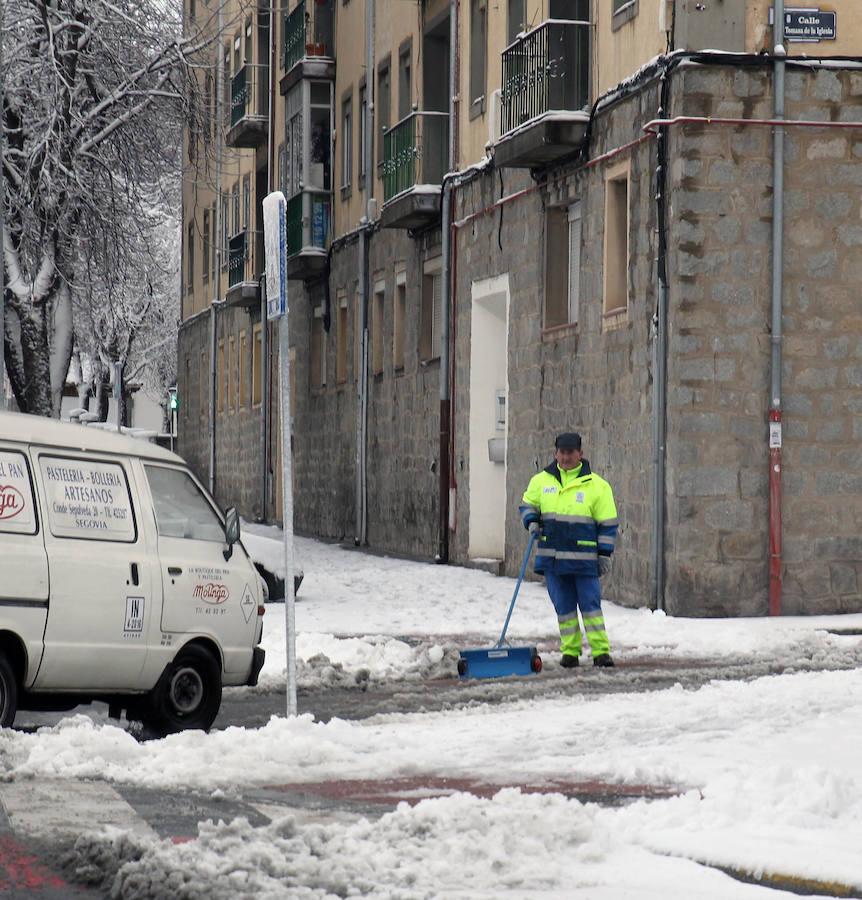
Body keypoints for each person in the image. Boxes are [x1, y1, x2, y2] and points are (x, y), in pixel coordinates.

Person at [519, 432, 618, 668]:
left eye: (570, 453)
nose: (565, 457)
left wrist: (604, 554)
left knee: (590, 606)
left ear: (580, 454)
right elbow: (527, 504)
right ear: (556, 453)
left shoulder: (598, 486)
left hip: (584, 561)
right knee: (564, 609)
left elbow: (608, 524)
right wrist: (530, 519)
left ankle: (601, 652)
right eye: (562, 453)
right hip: (552, 559)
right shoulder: (541, 481)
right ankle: (570, 652)